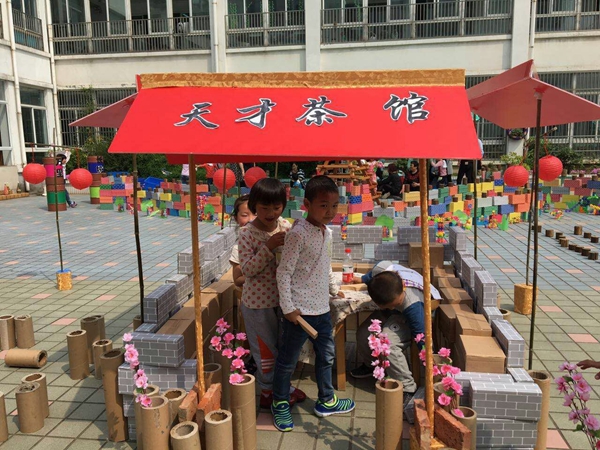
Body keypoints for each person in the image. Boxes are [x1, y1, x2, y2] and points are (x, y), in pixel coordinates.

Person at [272, 175, 354, 432]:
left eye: (334, 205)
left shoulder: (327, 232)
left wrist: (334, 289)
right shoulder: (297, 234)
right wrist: (288, 308)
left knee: (326, 356)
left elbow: (325, 264)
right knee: (288, 361)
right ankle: (279, 402)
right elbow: (283, 272)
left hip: (322, 309)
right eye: (323, 205)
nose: (330, 211)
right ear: (307, 204)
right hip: (298, 313)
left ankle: (326, 399)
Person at [237, 178, 306, 410]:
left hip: (284, 301)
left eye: (276, 207)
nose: (271, 213)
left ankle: (283, 386)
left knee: (284, 348)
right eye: (264, 207)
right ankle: (268, 391)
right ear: (254, 206)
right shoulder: (247, 234)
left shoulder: (285, 226)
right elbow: (247, 270)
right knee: (265, 349)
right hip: (257, 305)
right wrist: (268, 247)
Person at [350, 261, 442, 397]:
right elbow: (377, 270)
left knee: (388, 343)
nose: (392, 307)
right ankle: (372, 366)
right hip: (393, 310)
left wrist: (429, 358)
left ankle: (407, 387)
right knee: (364, 333)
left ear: (403, 286)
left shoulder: (413, 306)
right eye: (388, 306)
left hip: (410, 314)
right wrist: (363, 279)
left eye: (394, 304)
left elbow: (421, 335)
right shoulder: (383, 271)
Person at [229, 195, 255, 287]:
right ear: (236, 218)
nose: (251, 219)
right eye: (244, 215)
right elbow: (237, 280)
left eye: (256, 214)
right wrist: (261, 276)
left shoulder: (271, 238)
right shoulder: (238, 247)